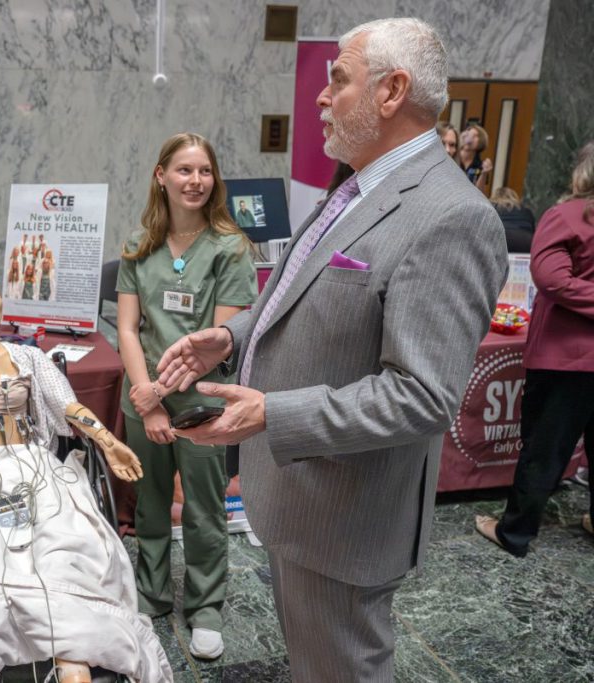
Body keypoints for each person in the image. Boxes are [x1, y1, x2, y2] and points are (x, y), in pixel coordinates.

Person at [156, 19, 507, 681]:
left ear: (392, 90)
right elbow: (296, 287)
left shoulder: (451, 217)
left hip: (347, 519)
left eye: (337, 81)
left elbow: (422, 396)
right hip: (300, 500)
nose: (321, 97)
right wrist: (230, 335)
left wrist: (272, 415)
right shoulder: (352, 184)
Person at [0, 273, 172, 683]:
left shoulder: (28, 357)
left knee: (67, 549)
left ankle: (72, 655)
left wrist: (108, 441)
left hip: (36, 469)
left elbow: (68, 406)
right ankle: (3, 654)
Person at [116, 132, 256, 660]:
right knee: (149, 503)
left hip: (202, 395)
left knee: (201, 507)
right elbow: (128, 329)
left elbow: (216, 343)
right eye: (184, 170)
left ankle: (205, 608)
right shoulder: (138, 244)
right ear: (161, 176)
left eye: (204, 171)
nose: (195, 181)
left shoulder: (230, 249)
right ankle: (150, 598)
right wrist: (146, 400)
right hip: (144, 391)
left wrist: (160, 396)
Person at [475, 142, 594, 555]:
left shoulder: (566, 216)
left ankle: (515, 533)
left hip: (567, 359)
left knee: (543, 447)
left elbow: (552, 280)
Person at [490, 186, 536, 253]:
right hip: (525, 241)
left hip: (499, 238)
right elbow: (532, 230)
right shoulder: (526, 210)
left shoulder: (491, 206)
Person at [459, 122, 493, 191]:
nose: (470, 137)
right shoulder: (452, 157)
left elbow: (479, 193)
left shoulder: (480, 166)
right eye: (469, 134)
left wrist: (484, 173)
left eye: (475, 136)